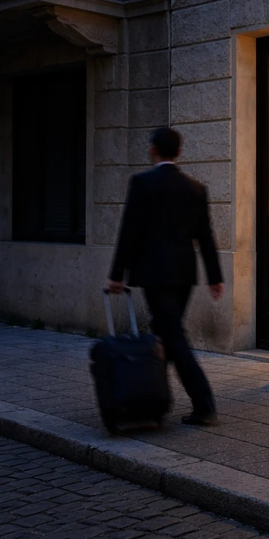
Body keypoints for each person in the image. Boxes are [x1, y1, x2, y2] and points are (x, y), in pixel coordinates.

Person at [107, 127, 224, 426]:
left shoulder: (142, 183)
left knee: (173, 338)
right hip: (184, 273)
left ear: (153, 150)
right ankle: (150, 396)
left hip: (155, 273)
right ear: (179, 152)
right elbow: (206, 237)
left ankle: (204, 403)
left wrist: (116, 274)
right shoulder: (195, 188)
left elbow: (129, 230)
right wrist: (214, 276)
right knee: (166, 334)